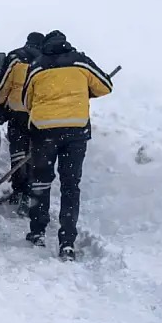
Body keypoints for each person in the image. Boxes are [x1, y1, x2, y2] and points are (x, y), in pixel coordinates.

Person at [21, 30, 113, 261]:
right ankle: (67, 242)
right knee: (70, 185)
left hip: (44, 132)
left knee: (40, 181)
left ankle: (37, 231)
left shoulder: (38, 65)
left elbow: (26, 100)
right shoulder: (81, 61)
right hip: (75, 131)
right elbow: (105, 86)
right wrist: (83, 91)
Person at [0, 31, 44, 216]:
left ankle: (20, 190)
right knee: (34, 155)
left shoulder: (15, 57)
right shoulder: (47, 60)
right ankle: (30, 194)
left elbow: (4, 84)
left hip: (18, 114)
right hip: (39, 116)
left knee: (18, 153)